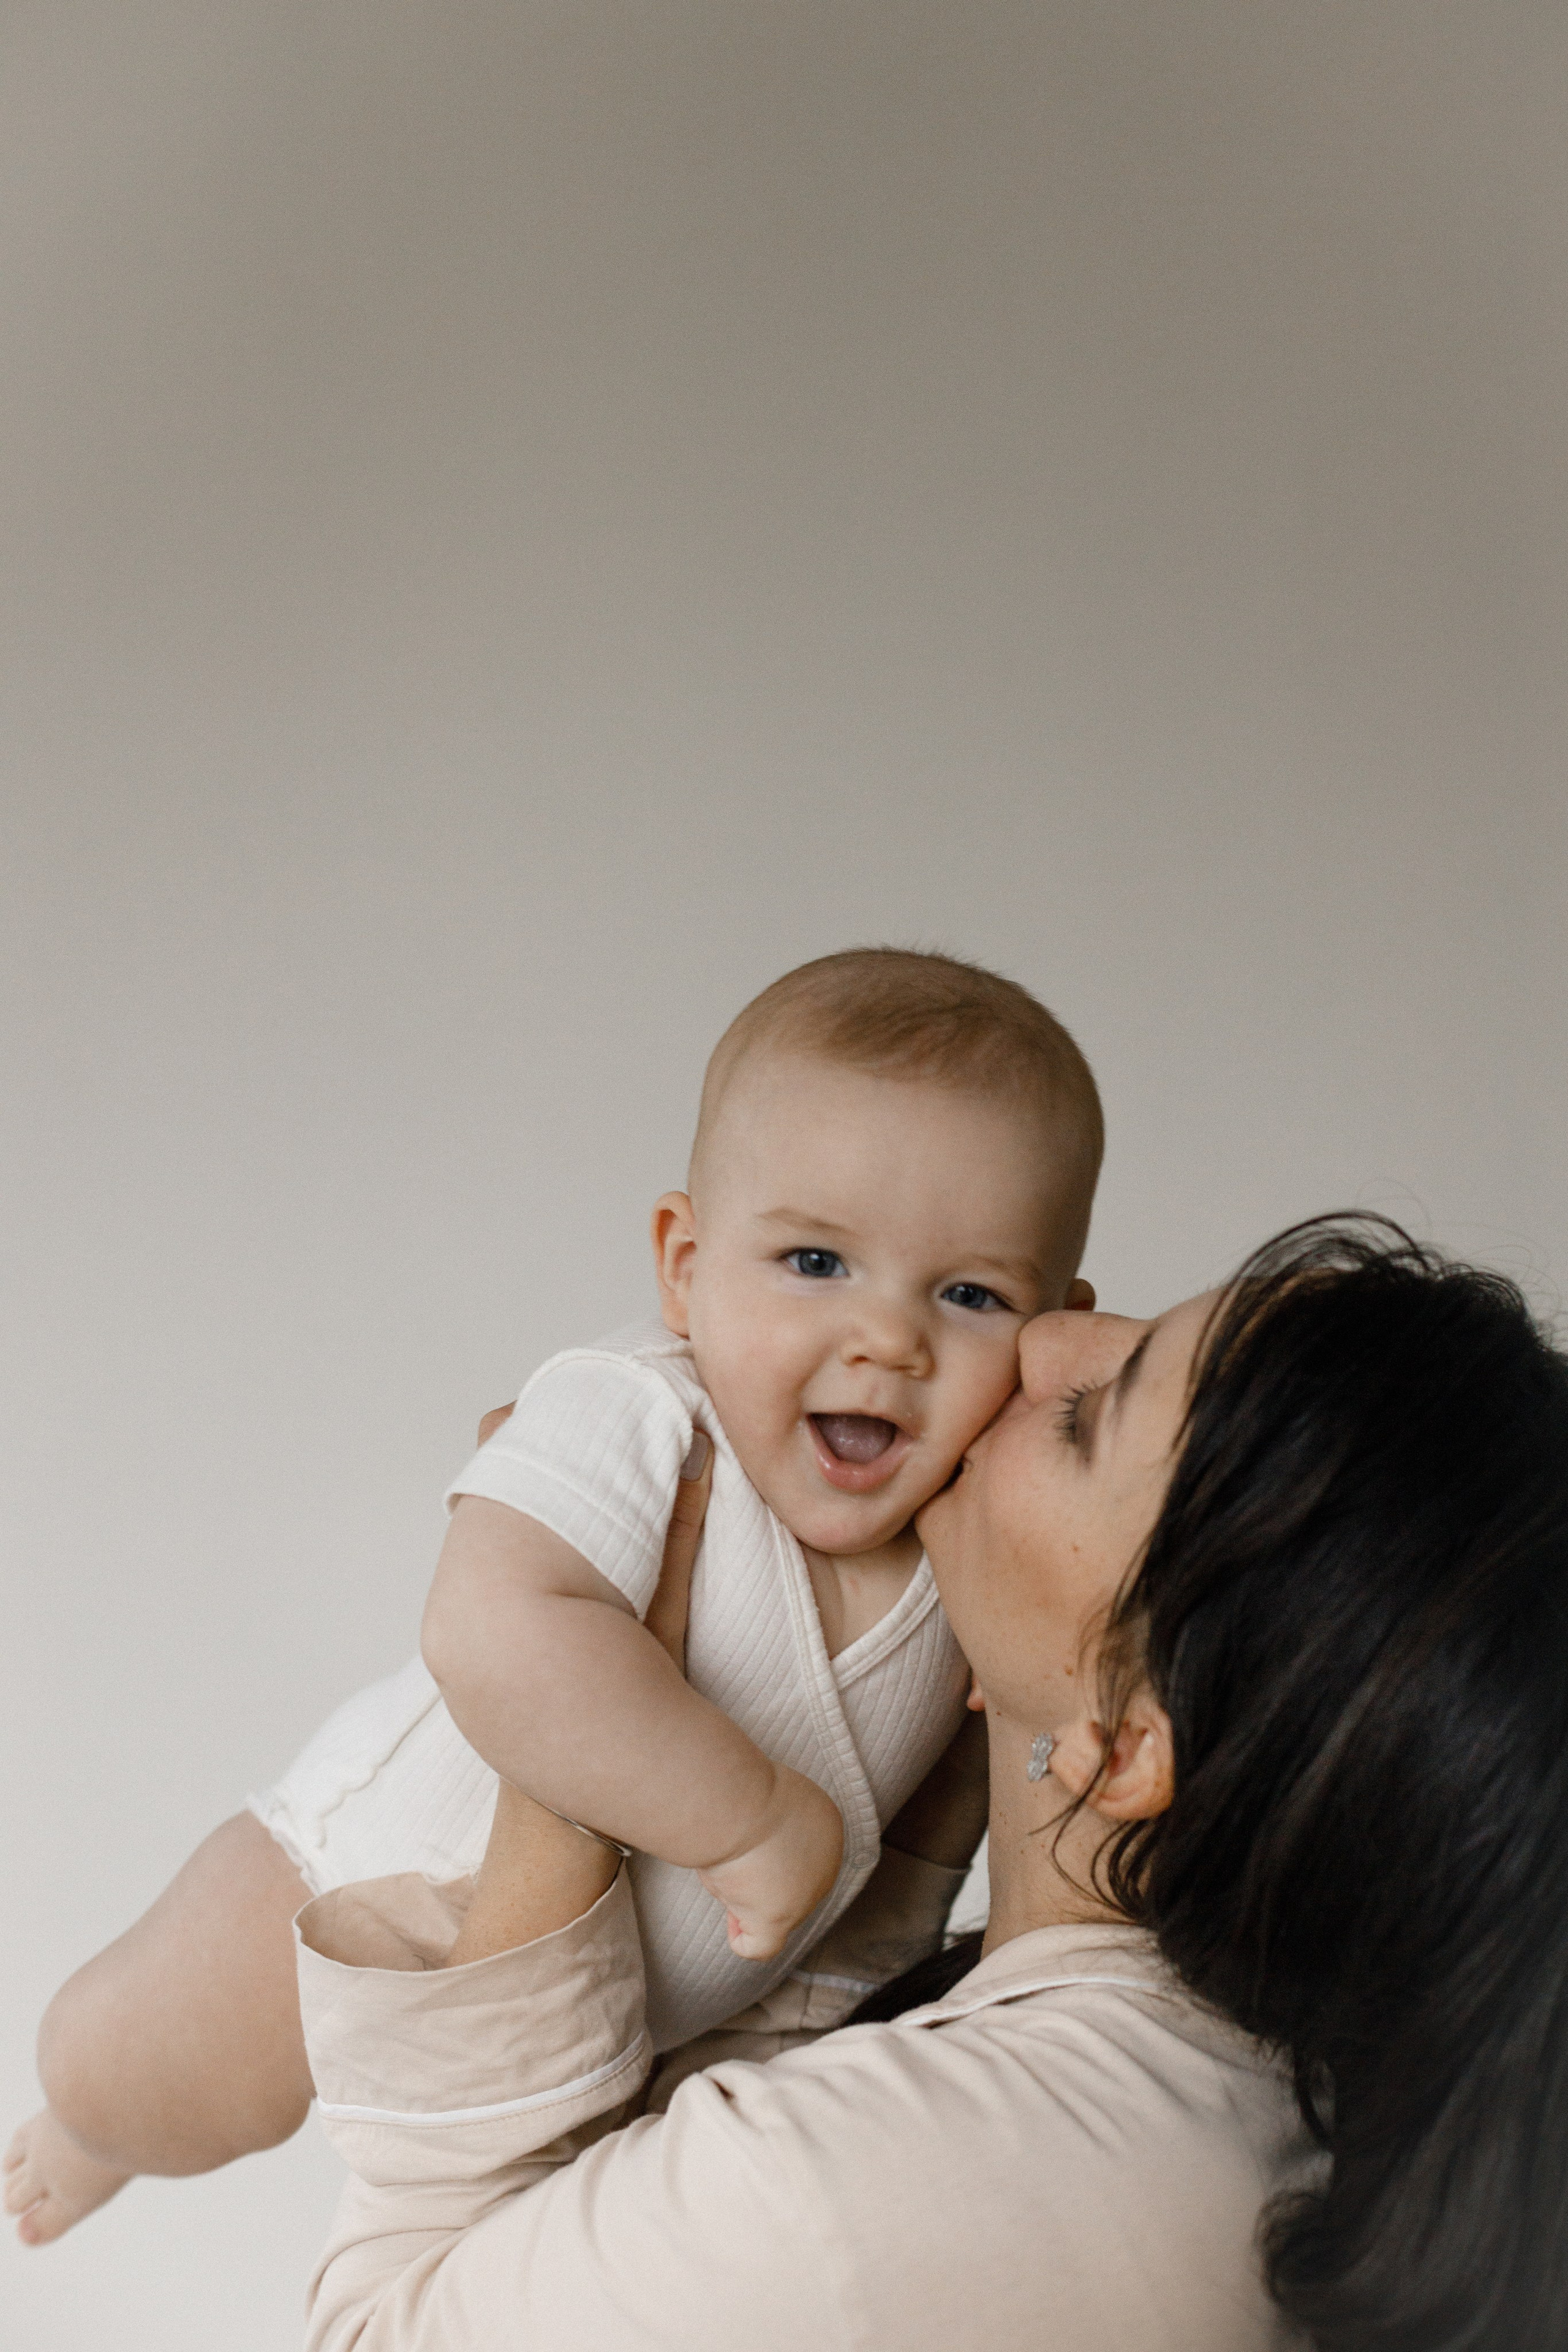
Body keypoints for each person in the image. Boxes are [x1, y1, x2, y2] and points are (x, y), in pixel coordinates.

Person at [287, 1216, 1568, 2351]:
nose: (1045, 1337)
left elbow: (386, 2331)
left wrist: (575, 1738)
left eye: (1085, 1418)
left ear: (1124, 1747)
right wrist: (898, 1878)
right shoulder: (1235, 2125)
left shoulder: (901, 2182)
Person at [6, 945, 1103, 2242]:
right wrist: (747, 1818)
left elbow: (916, 1817)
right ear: (684, 1265)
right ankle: (81, 2132)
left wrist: (834, 1987)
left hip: (630, 2026)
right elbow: (492, 1629)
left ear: (1059, 1334)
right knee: (160, 2079)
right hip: (384, 1875)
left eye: (970, 1294)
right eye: (815, 1262)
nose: (887, 1339)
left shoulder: (973, 1537)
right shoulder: (640, 1408)